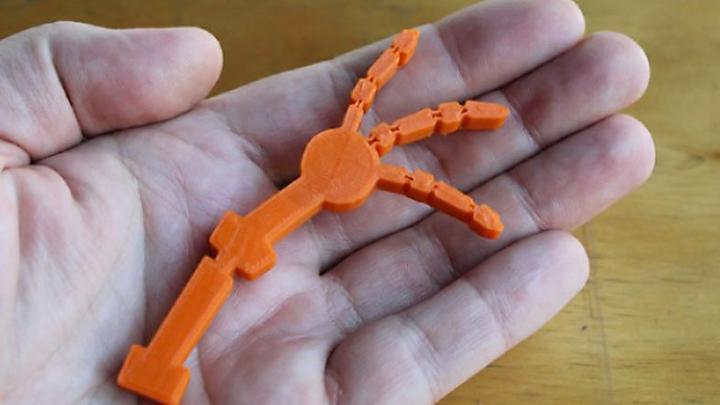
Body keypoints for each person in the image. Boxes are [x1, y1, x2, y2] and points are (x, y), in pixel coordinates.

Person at [0, 0, 653, 403]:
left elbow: (421, 170)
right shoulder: (353, 136)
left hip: (256, 235)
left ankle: (162, 361)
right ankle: (160, 361)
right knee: (222, 267)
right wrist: (461, 197)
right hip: (249, 238)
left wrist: (466, 202)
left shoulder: (367, 154)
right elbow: (381, 105)